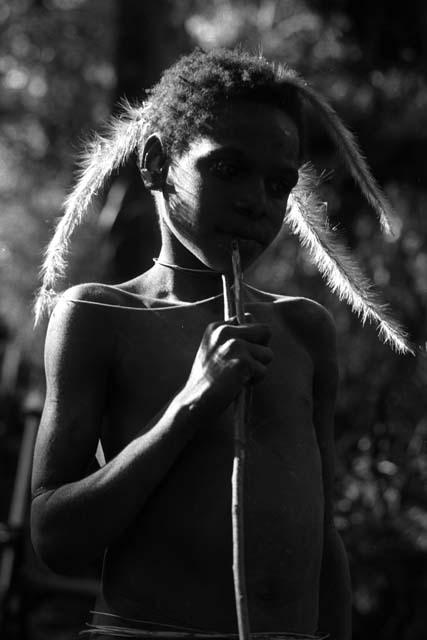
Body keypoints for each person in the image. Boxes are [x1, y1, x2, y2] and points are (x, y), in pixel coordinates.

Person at [30, 48, 409, 640]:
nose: (257, 201)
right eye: (228, 169)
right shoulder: (99, 315)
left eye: (279, 183)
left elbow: (323, 539)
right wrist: (191, 406)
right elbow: (54, 536)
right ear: (155, 162)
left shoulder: (304, 329)